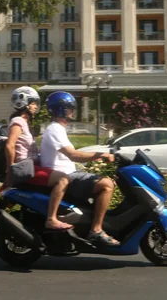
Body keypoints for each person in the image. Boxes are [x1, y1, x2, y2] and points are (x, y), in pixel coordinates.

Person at [40, 91, 119, 246]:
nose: (73, 111)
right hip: (66, 176)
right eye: (70, 108)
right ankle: (96, 231)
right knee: (107, 185)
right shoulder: (54, 129)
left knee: (108, 182)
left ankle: (89, 222)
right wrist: (100, 155)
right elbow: (73, 155)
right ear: (62, 109)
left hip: (69, 174)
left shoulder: (58, 129)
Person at [3, 86, 73, 231]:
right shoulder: (18, 121)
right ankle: (51, 219)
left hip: (32, 165)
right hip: (25, 167)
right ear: (23, 102)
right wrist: (11, 171)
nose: (36, 107)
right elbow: (10, 146)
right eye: (33, 103)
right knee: (63, 179)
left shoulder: (25, 123)